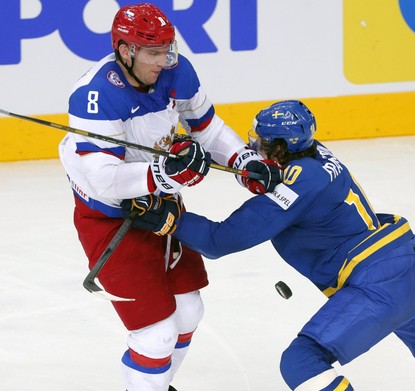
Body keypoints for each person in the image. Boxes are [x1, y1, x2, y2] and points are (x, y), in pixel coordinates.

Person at [121, 100, 415, 390]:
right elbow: (288, 182)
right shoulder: (316, 157)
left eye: (262, 145)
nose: (255, 149)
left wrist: (171, 218)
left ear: (281, 149)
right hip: (412, 269)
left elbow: (219, 240)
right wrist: (259, 175)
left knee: (300, 363)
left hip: (378, 285)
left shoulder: (299, 185)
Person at [58, 3, 280, 391]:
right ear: (125, 51)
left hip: (159, 204)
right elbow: (103, 182)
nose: (165, 60)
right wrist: (164, 172)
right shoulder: (94, 95)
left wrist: (242, 159)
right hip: (109, 219)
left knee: (188, 310)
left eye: (168, 49)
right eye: (154, 53)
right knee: (155, 335)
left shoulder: (177, 71)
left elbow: (206, 129)